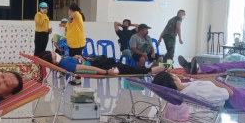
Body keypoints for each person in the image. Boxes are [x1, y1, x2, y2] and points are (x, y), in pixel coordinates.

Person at [37, 51, 165, 77]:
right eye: (54, 56)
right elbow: (85, 67)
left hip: (94, 61)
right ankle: (150, 71)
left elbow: (80, 62)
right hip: (99, 66)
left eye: (54, 53)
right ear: (53, 62)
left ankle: (146, 68)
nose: (56, 54)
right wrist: (107, 72)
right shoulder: (64, 64)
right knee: (124, 68)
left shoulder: (63, 60)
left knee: (122, 65)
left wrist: (78, 57)